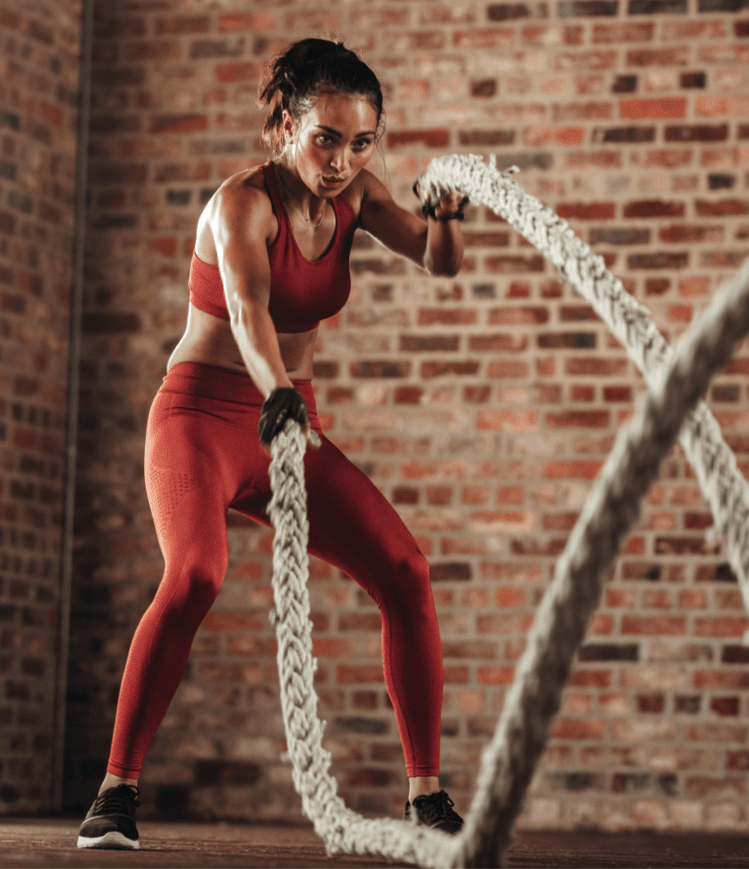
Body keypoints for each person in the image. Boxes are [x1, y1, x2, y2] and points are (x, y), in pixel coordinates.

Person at [77, 38, 468, 850]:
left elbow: (439, 265)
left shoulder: (357, 197)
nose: (342, 160)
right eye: (325, 137)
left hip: (289, 422)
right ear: (283, 127)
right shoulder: (240, 206)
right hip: (206, 416)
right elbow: (251, 311)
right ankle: (115, 793)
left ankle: (426, 795)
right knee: (194, 575)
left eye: (361, 141)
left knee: (405, 569)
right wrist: (278, 389)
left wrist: (445, 219)